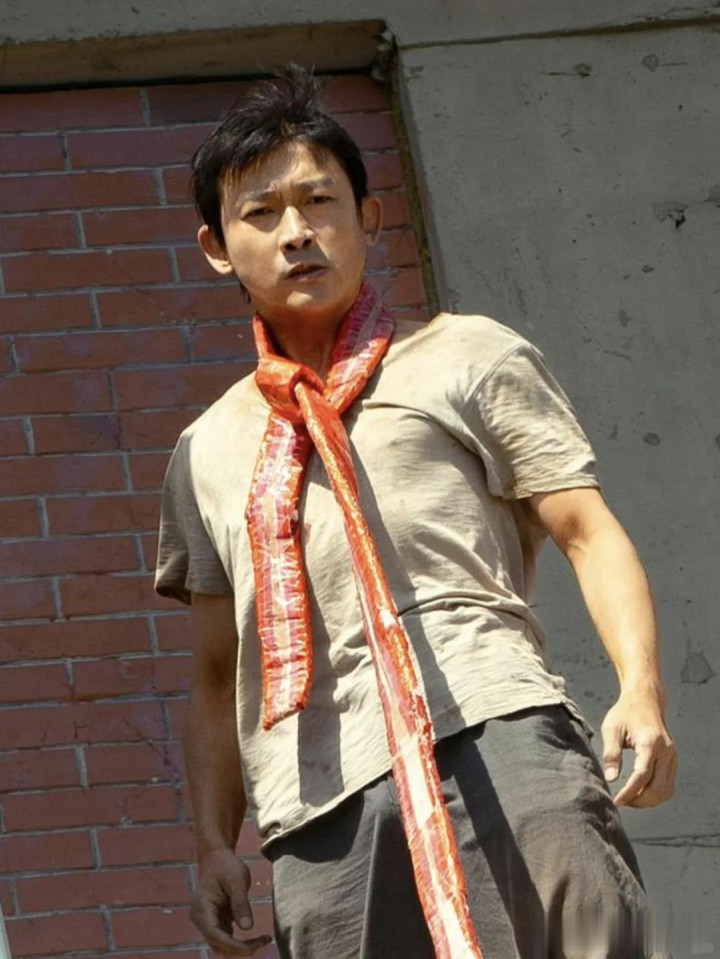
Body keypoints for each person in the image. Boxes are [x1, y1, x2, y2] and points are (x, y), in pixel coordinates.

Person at [154, 65, 677, 958]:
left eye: (319, 201)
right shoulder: (206, 447)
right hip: (318, 800)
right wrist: (211, 840)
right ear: (217, 247)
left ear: (368, 218)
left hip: (496, 727)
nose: (295, 232)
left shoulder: (464, 355)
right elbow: (216, 671)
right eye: (261, 213)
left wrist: (642, 688)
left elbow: (586, 531)